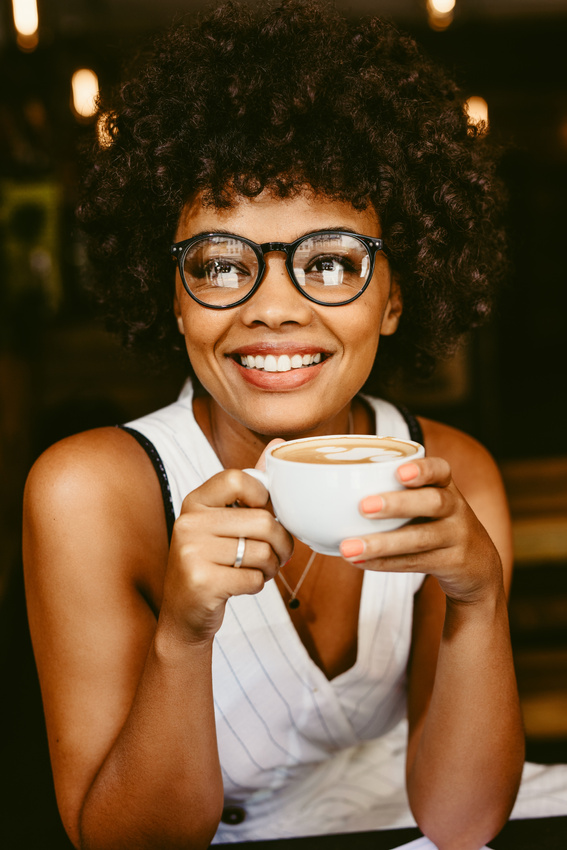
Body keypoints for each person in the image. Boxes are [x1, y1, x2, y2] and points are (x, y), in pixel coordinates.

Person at [23, 2, 526, 848]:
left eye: (330, 261)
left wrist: (478, 602)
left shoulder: (452, 474)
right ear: (174, 300)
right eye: (223, 265)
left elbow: (462, 825)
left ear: (395, 296)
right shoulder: (90, 492)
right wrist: (182, 640)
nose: (276, 310)